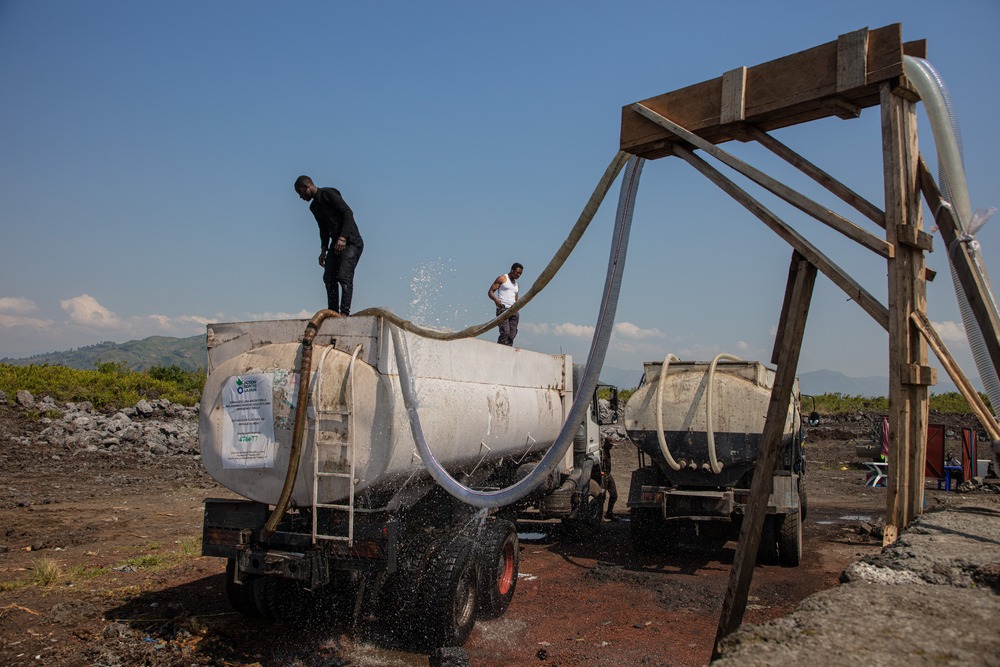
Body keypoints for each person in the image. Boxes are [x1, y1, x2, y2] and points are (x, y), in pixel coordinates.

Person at [294, 175, 364, 316]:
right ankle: (333, 313)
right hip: (336, 245)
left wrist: (343, 237)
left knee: (344, 276)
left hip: (351, 242)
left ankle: (344, 314)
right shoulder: (314, 207)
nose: (300, 197)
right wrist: (323, 250)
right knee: (329, 277)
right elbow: (323, 229)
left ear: (305, 186)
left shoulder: (328, 193)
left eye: (300, 193)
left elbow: (347, 212)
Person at [488, 263, 523, 346]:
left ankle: (508, 352)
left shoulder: (517, 285)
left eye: (520, 273)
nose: (519, 275)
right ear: (512, 270)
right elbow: (490, 292)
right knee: (505, 332)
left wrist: (517, 309)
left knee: (512, 335)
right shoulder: (503, 278)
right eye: (517, 272)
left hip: (513, 311)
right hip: (503, 309)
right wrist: (496, 300)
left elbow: (516, 298)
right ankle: (499, 350)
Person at [601, 436, 619, 521]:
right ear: (607, 443)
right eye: (611, 445)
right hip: (603, 476)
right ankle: (600, 515)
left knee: (614, 495)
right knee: (602, 497)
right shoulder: (602, 452)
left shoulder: (607, 451)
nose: (612, 447)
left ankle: (609, 513)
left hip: (608, 475)